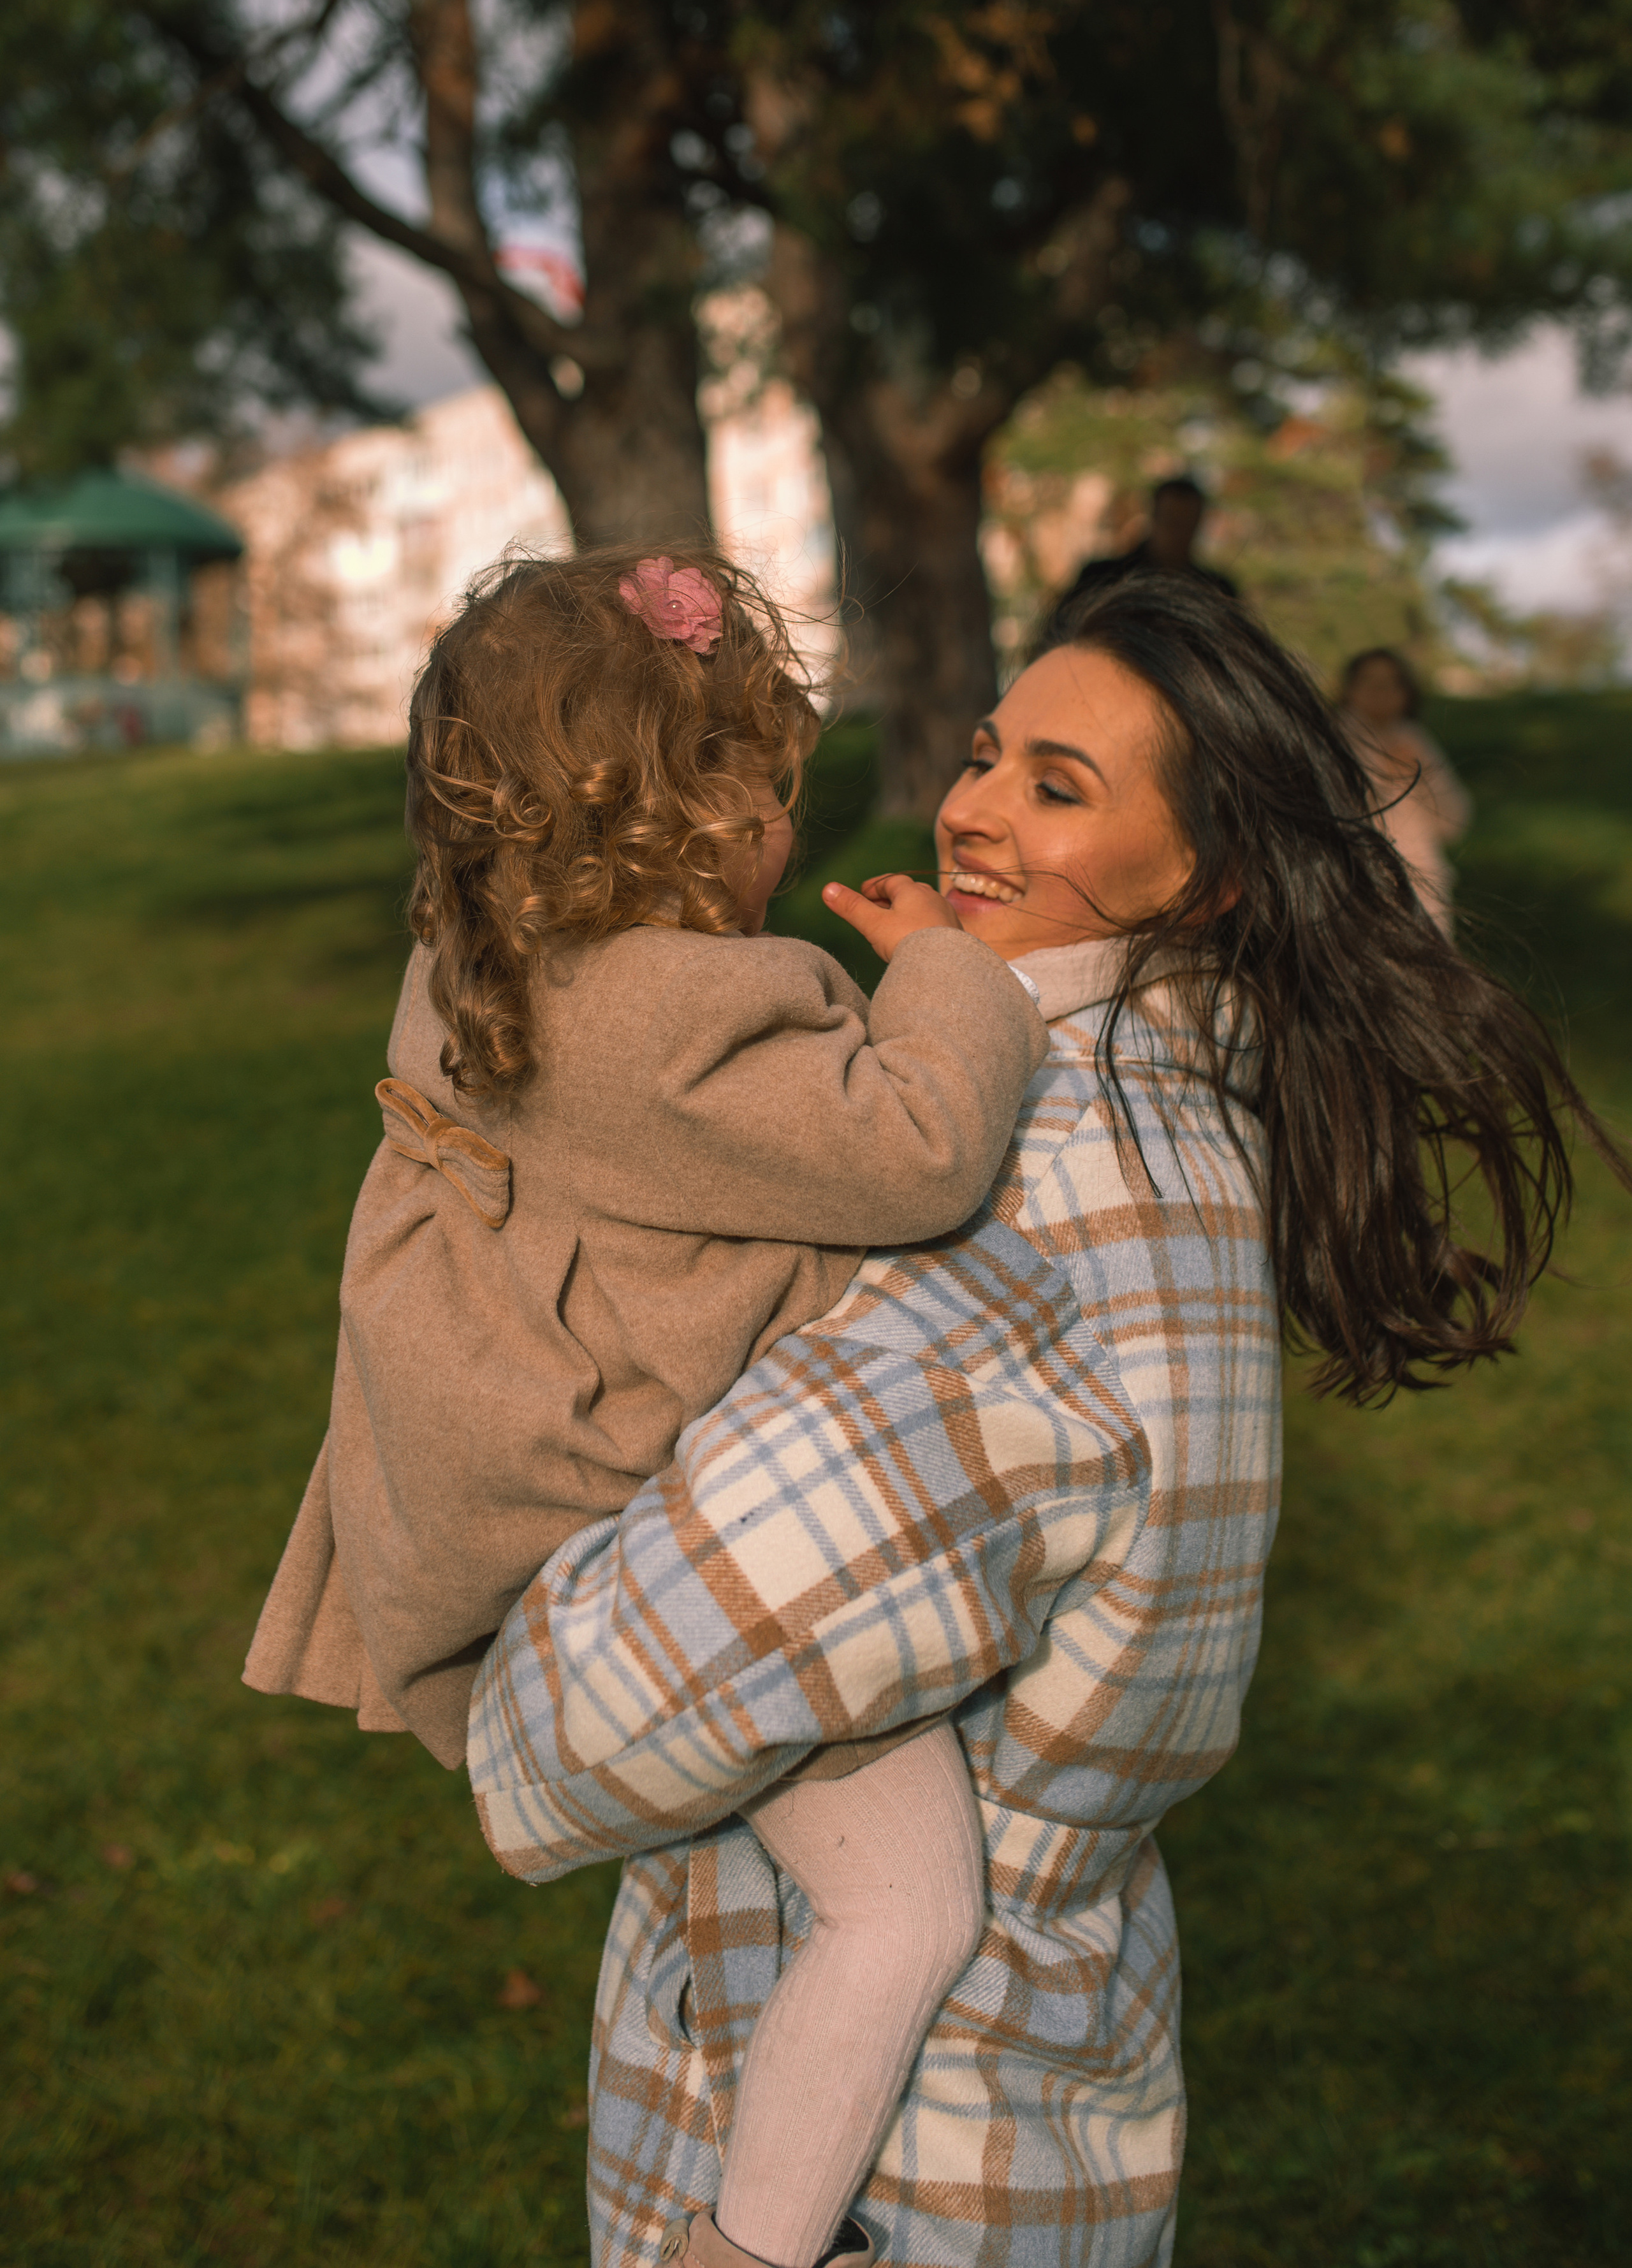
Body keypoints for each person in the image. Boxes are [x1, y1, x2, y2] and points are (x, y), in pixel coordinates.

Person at [467, 573, 1626, 2268]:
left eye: (1058, 788)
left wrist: (490, 1608)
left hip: (885, 2177)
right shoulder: (1163, 1136)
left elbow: (578, 1723)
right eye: (990, 752)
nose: (974, 810)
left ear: (1203, 876)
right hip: (1051, 2110)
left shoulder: (1023, 1240)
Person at [244, 544, 1054, 2268]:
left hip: (495, 1476)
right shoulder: (661, 1021)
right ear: (679, 815)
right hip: (605, 1531)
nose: (787, 833)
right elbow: (914, 1148)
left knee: (779, 1888)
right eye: (766, 794)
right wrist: (955, 977)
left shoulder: (485, 954)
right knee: (909, 1903)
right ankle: (749, 2249)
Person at [1339, 646, 1471, 936]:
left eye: (1391, 682)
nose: (1380, 691)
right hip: (1359, 883)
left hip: (1423, 881)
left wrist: (1419, 778)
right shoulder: (1334, 741)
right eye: (1369, 681)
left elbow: (1454, 822)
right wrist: (1381, 776)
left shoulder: (1415, 740)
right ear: (1350, 688)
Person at [1047, 473, 1239, 633]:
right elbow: (1063, 632)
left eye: (1187, 523)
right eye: (1172, 521)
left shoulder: (1217, 589)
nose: (1179, 532)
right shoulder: (1102, 578)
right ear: (1155, 518)